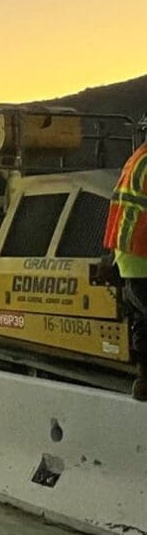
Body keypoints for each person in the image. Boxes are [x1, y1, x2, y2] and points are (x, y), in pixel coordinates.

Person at [103, 135, 147, 400]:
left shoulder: (137, 159)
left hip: (130, 254)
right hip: (141, 251)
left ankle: (143, 382)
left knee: (143, 322)